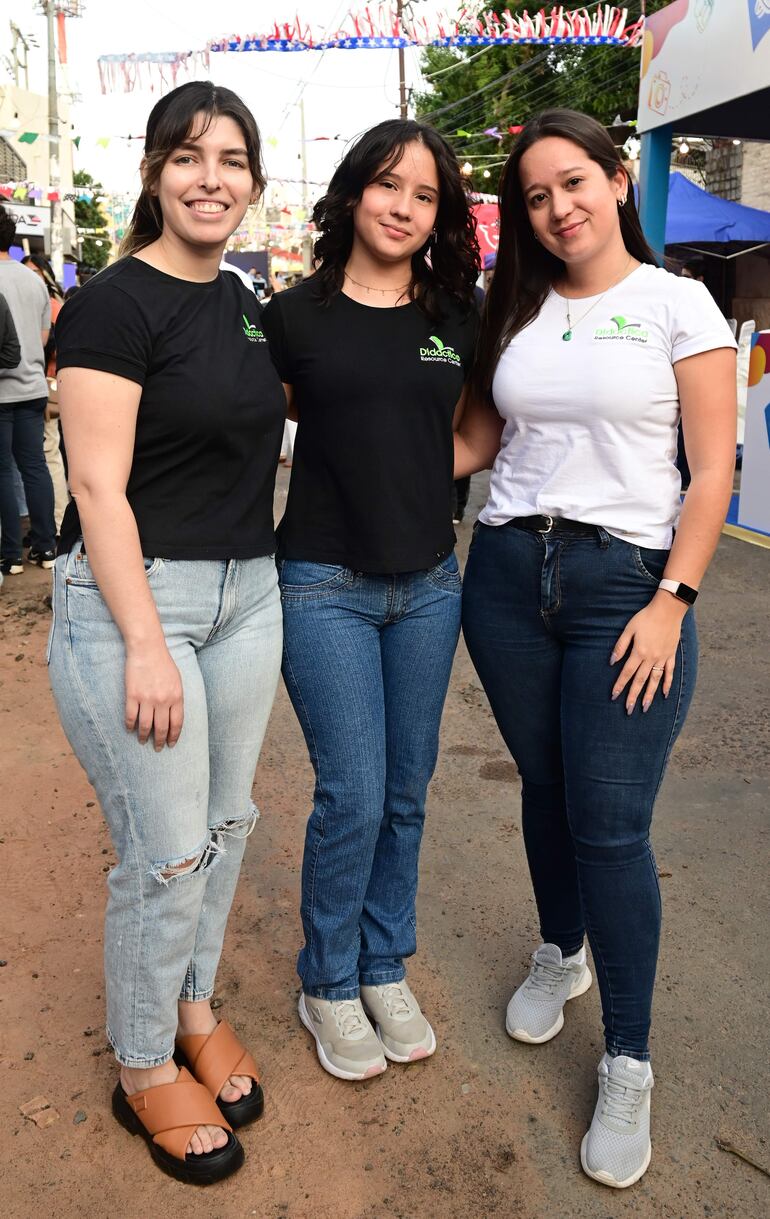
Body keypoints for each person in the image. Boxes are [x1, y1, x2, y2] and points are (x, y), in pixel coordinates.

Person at [456, 109, 736, 1189]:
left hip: (624, 585)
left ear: (616, 182)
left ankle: (627, 1058)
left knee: (609, 825)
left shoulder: (676, 303)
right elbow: (479, 440)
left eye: (571, 183)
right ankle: (557, 948)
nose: (556, 207)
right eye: (534, 196)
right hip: (503, 578)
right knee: (541, 785)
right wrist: (352, 455)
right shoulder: (512, 308)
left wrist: (672, 598)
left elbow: (709, 471)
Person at [48, 81, 286, 1185]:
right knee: (168, 849)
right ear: (154, 172)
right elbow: (97, 485)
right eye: (188, 157)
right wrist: (145, 640)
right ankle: (144, 1063)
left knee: (228, 823)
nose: (211, 178)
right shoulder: (112, 302)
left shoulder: (241, 301)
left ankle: (192, 1008)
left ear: (252, 181)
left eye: (231, 159)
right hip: (139, 603)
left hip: (248, 596)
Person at [262, 118, 479, 1081]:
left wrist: (422, 479)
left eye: (425, 195)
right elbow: (255, 424)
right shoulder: (293, 315)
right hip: (324, 585)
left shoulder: (455, 313)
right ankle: (330, 979)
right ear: (354, 192)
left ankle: (385, 962)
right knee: (351, 791)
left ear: (440, 215)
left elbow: (481, 432)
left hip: (431, 584)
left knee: (406, 790)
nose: (403, 207)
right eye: (390, 185)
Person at [0, 206, 57, 575]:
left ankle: (10, 554)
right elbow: (42, 338)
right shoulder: (33, 279)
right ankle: (46, 546)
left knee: (3, 470)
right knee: (34, 465)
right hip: (33, 386)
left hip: (2, 392)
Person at [22, 254, 69, 535]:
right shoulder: (45, 304)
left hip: (46, 389)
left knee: (48, 455)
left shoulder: (52, 307)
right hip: (37, 387)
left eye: (34, 272)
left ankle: (58, 522)